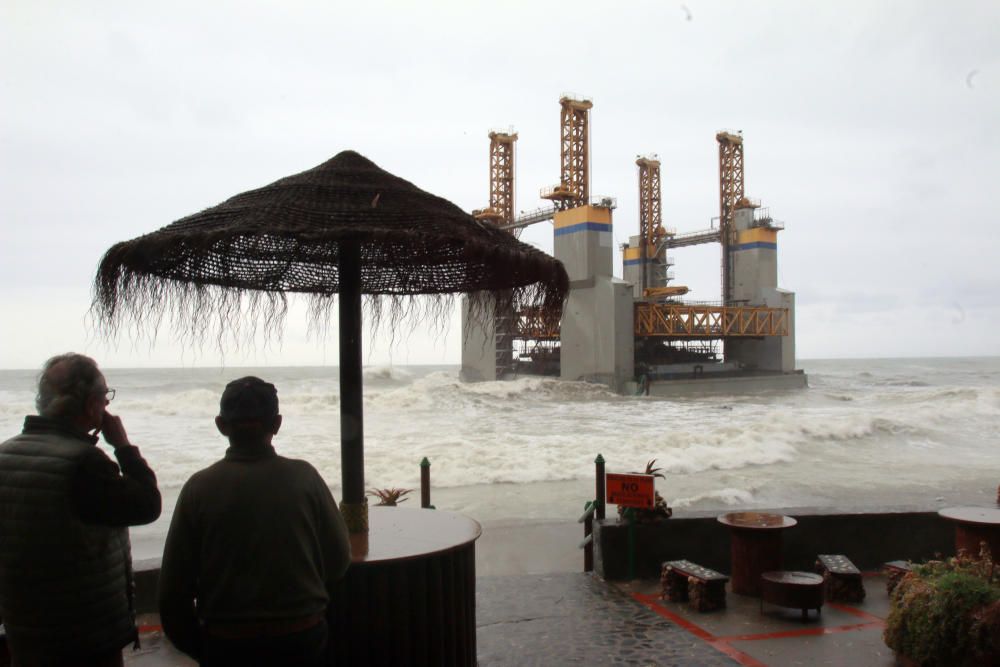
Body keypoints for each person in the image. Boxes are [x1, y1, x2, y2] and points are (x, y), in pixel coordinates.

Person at [159, 376, 351, 667]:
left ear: (221, 425)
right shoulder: (305, 478)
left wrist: (203, 648)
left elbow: (173, 593)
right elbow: (338, 560)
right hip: (300, 638)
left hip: (227, 643)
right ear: (276, 424)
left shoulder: (198, 488)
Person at [0, 353, 162, 667]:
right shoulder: (83, 463)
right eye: (104, 397)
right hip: (82, 630)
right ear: (90, 404)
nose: (106, 406)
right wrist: (124, 446)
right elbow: (146, 505)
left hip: (24, 624)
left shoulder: (5, 453)